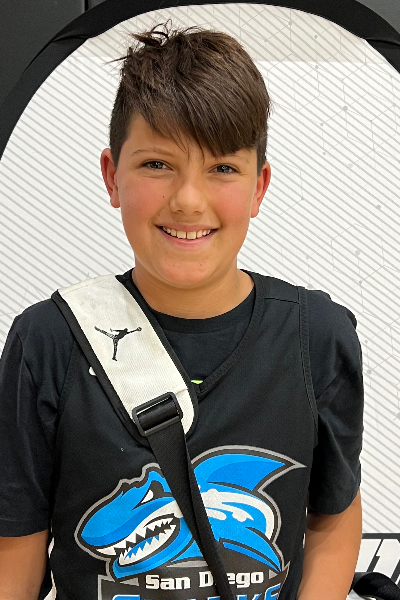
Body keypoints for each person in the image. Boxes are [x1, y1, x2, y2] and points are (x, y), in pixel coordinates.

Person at [0, 20, 363, 600]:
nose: (189, 200)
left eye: (223, 168)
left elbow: (334, 517)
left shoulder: (317, 336)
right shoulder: (47, 341)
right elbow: (14, 551)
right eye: (157, 164)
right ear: (111, 176)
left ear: (259, 186)